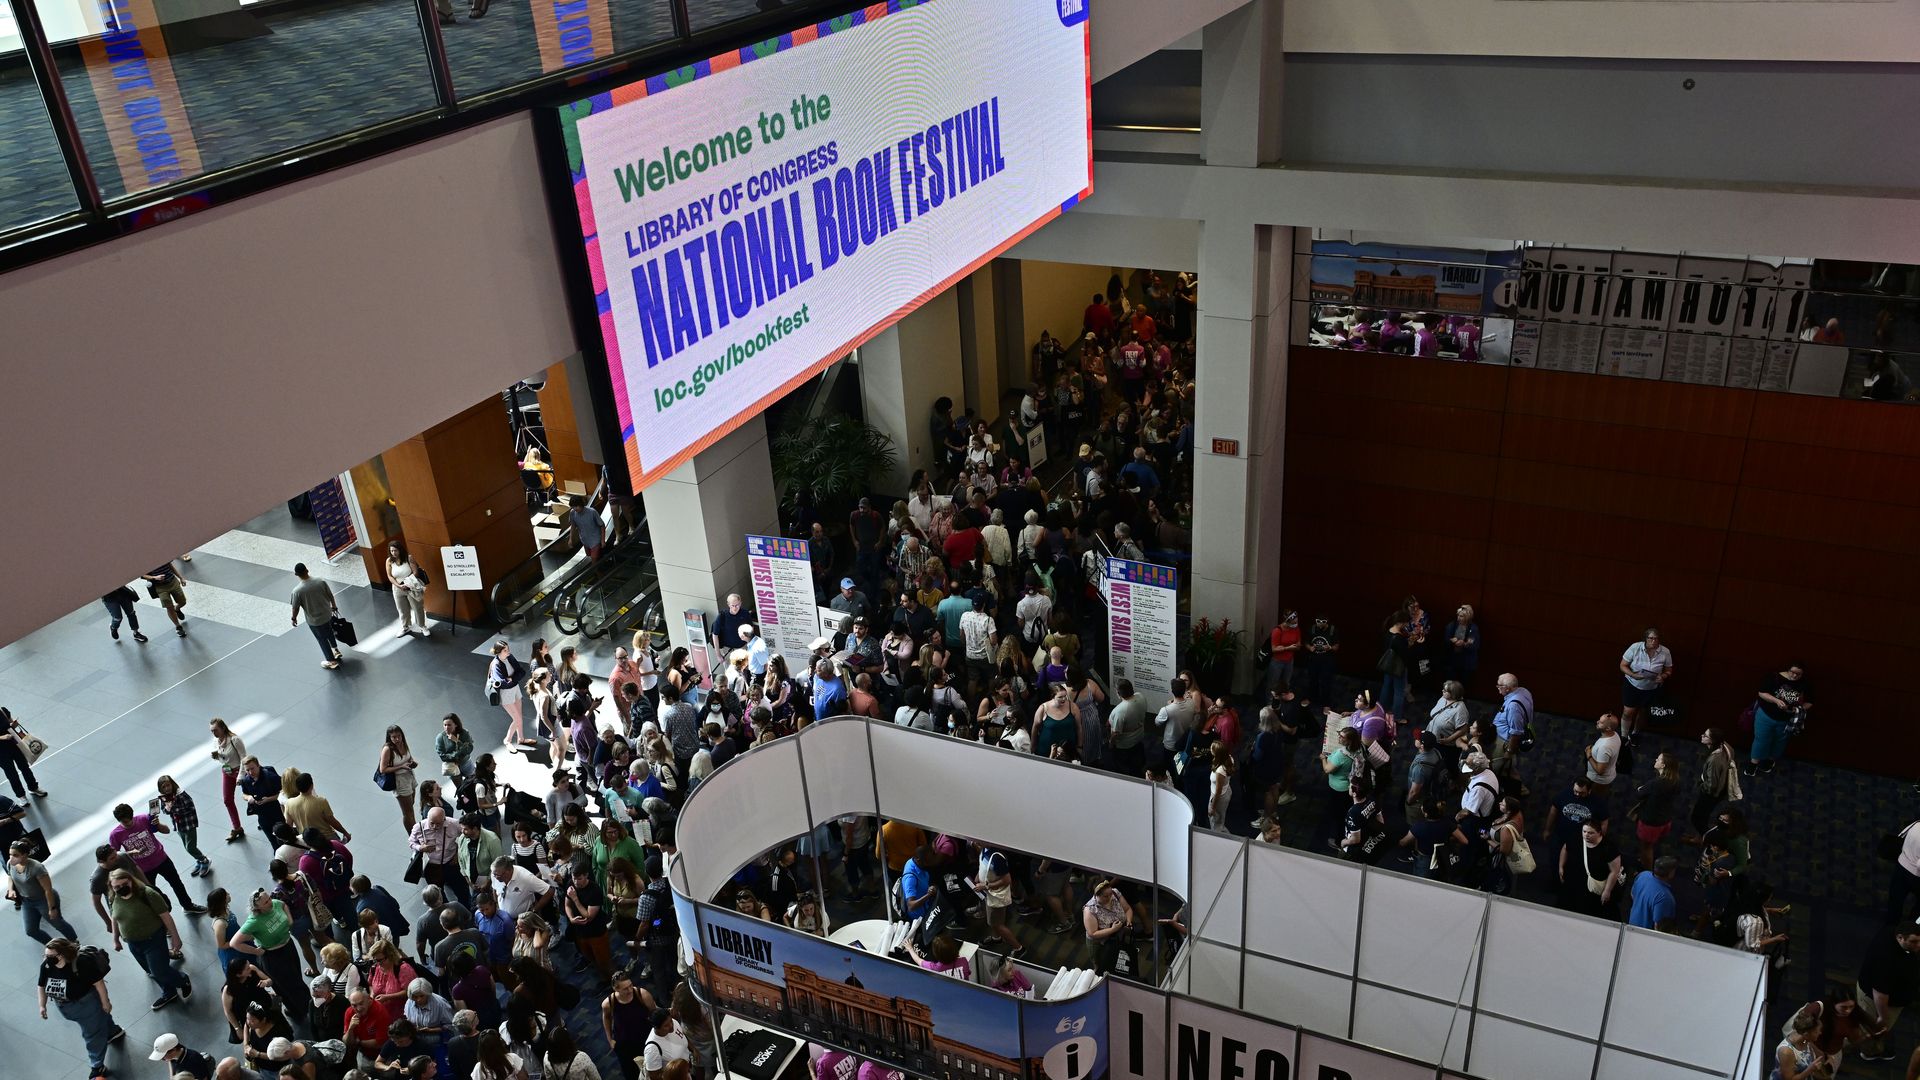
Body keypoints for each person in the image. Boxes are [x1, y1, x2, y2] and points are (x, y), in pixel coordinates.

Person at [107, 867, 195, 1009]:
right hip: (133, 943)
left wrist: (175, 937)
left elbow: (165, 916)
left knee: (158, 970)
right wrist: (116, 938)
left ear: (131, 881)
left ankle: (182, 980)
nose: (121, 888)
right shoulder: (113, 897)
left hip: (153, 939)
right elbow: (115, 917)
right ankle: (169, 991)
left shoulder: (147, 894)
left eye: (124, 885)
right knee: (150, 970)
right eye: (117, 887)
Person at [39, 937, 124, 1080]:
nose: (47, 959)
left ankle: (97, 1066)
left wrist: (105, 1002)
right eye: (46, 955)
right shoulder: (47, 965)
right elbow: (41, 985)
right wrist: (42, 1005)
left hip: (86, 1004)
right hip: (65, 1005)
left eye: (51, 956)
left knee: (91, 1035)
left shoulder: (81, 963)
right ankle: (112, 1031)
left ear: (62, 954)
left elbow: (99, 983)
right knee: (97, 1021)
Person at [109, 801, 205, 913]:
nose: (130, 823)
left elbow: (167, 830)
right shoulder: (115, 835)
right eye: (125, 822)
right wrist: (130, 853)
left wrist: (158, 825)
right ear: (119, 820)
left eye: (131, 819)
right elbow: (115, 856)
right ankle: (161, 917)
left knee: (177, 883)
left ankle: (187, 906)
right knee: (150, 894)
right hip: (142, 869)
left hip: (162, 859)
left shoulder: (144, 819)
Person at [1853, 919, 1920, 1062]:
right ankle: (1870, 1050)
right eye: (1914, 942)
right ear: (1900, 937)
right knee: (1875, 1029)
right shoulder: (1887, 961)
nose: (1918, 945)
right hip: (1875, 1000)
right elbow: (1880, 996)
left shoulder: (1892, 932)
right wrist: (1883, 1017)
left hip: (1888, 993)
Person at [9, 838, 79, 943]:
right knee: (30, 930)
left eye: (15, 855)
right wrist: (11, 889)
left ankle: (74, 942)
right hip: (26, 901)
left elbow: (48, 889)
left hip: (44, 900)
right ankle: (54, 947)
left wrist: (52, 908)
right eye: (10, 854)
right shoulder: (11, 863)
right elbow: (10, 876)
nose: (11, 858)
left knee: (58, 923)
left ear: (24, 855)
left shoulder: (37, 867)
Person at [1748, 662, 1812, 777]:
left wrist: (1797, 709)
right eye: (1792, 672)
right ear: (1788, 670)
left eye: (1798, 674)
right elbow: (1762, 693)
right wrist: (1776, 700)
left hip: (1787, 719)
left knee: (1780, 742)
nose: (1794, 676)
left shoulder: (1805, 684)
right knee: (1761, 740)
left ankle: (1769, 761)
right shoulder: (1775, 677)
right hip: (1766, 715)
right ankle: (1753, 764)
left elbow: (1810, 702)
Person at [1617, 628, 1672, 742]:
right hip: (1632, 684)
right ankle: (1623, 735)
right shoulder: (1635, 647)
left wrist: (1663, 676)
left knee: (1643, 712)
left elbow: (1668, 670)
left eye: (1656, 639)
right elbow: (1622, 665)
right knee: (1628, 712)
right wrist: (1633, 675)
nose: (1654, 641)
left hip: (1651, 688)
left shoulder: (1665, 651)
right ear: (1645, 639)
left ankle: (1635, 733)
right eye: (1651, 638)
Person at [1560, 822, 1622, 920]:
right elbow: (1565, 848)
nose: (1586, 835)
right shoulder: (1576, 839)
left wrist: (1607, 890)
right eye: (1584, 831)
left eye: (1590, 833)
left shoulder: (1609, 848)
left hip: (1596, 888)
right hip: (1577, 883)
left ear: (1599, 833)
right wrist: (1561, 867)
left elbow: (1614, 871)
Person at [289, 564, 344, 669]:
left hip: (314, 620)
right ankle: (335, 650)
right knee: (329, 632)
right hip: (327, 614)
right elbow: (330, 595)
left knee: (322, 639)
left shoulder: (297, 591)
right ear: (307, 570)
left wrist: (293, 618)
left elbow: (295, 607)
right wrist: (334, 606)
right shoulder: (320, 581)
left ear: (296, 574)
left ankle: (331, 661)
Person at [209, 718, 248, 843]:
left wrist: (240, 776)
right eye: (212, 731)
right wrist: (217, 757)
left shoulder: (235, 740)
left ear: (223, 728)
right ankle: (237, 827)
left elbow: (244, 758)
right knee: (227, 800)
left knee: (253, 796)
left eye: (216, 730)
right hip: (227, 772)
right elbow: (223, 758)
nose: (214, 733)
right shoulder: (216, 741)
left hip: (239, 771)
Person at [487, 641, 531, 748]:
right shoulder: (496, 664)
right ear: (498, 652)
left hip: (515, 689)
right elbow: (502, 684)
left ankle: (521, 738)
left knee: (519, 717)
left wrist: (512, 679)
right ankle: (507, 740)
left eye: (508, 649)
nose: (508, 652)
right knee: (517, 719)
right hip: (505, 694)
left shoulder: (510, 657)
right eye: (505, 650)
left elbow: (522, 672)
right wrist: (514, 679)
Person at [0, 707, 47, 801]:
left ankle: (33, 788)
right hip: (1, 752)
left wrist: (14, 724)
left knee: (25, 767)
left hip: (14, 745)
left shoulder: (2, 710)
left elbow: (10, 724)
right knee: (11, 774)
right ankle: (21, 796)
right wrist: (2, 737)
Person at [1628, 856, 1679, 931]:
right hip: (1645, 935)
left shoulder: (1643, 875)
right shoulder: (1665, 897)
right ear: (1671, 873)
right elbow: (1659, 927)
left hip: (1631, 926)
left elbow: (1632, 894)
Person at [143, 561, 189, 637]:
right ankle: (178, 626)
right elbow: (142, 575)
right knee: (169, 607)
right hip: (160, 587)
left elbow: (170, 566)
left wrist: (181, 578)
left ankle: (177, 609)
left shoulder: (162, 554)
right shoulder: (144, 560)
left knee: (183, 602)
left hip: (172, 582)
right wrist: (154, 577)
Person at [568, 494, 607, 559]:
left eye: (576, 506)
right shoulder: (572, 513)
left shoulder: (592, 512)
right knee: (589, 555)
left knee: (594, 557)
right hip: (584, 539)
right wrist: (570, 539)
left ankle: (595, 568)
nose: (575, 509)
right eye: (573, 507)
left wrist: (602, 540)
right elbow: (573, 525)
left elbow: (602, 525)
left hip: (595, 539)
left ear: (581, 504)